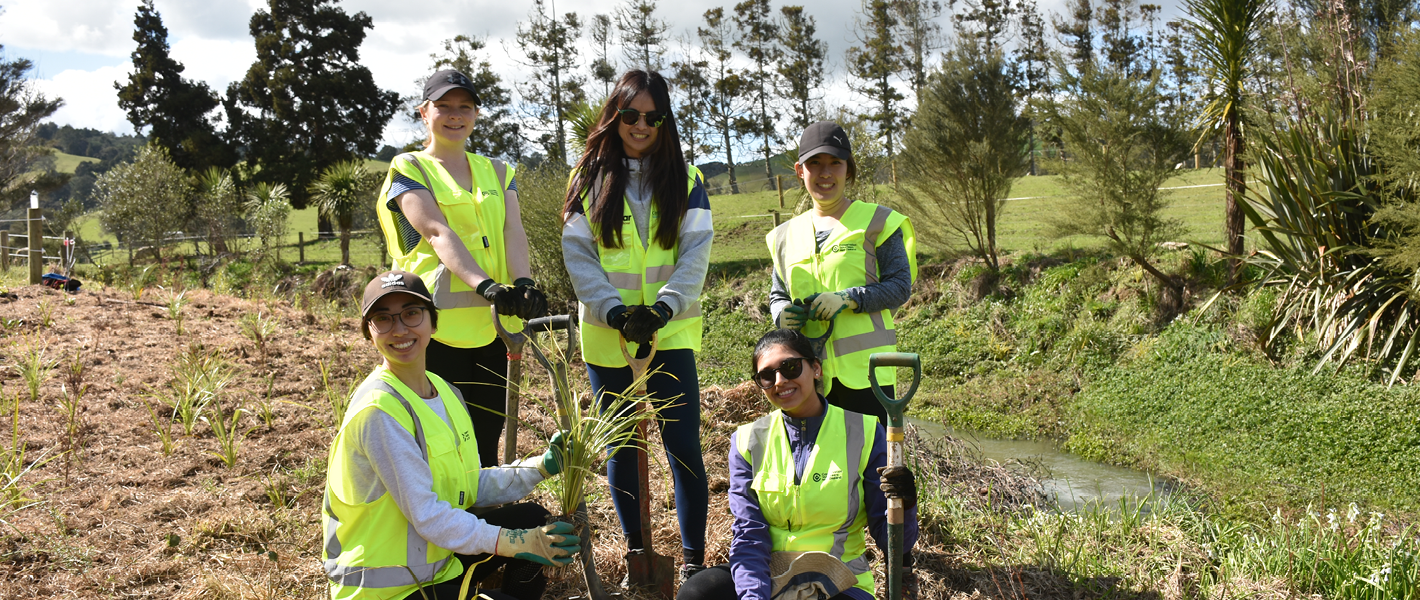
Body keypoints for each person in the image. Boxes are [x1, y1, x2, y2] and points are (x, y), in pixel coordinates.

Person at [322, 270, 579, 600]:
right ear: (369, 332)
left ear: (433, 322)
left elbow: (468, 486)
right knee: (519, 542)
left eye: (412, 314)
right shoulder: (379, 411)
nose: (399, 329)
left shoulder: (444, 392)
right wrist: (514, 542)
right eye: (383, 319)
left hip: (436, 564)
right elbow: (429, 516)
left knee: (530, 519)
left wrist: (539, 467)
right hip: (387, 589)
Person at [561, 70, 713, 582]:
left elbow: (695, 256)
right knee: (622, 445)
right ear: (615, 116)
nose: (641, 125)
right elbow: (579, 257)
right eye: (631, 115)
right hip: (608, 336)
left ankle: (693, 561)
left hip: (671, 334)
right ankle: (634, 556)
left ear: (665, 120)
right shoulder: (587, 179)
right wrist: (617, 312)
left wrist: (664, 309)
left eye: (653, 116)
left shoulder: (688, 181)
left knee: (683, 446)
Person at [375, 69, 549, 468]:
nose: (455, 115)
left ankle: (487, 520)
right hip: (431, 328)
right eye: (444, 107)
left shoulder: (499, 171)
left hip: (494, 326)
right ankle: (445, 522)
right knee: (439, 436)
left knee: (487, 430)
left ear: (475, 114)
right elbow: (436, 231)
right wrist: (486, 286)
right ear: (424, 112)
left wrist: (522, 283)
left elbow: (512, 230)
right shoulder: (410, 168)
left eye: (464, 107)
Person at [677, 329, 920, 600]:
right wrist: (754, 596)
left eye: (790, 367)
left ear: (815, 368)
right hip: (771, 571)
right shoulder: (747, 441)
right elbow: (749, 535)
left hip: (839, 579)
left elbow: (893, 541)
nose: (780, 381)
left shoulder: (864, 432)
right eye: (767, 376)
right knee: (697, 592)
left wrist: (905, 503)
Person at [766, 121, 917, 424]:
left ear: (849, 169)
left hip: (867, 377)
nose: (825, 173)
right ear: (800, 171)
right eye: (815, 163)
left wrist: (847, 299)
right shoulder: (784, 236)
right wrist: (781, 313)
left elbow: (900, 287)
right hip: (807, 377)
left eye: (835, 163)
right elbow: (778, 294)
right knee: (821, 467)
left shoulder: (878, 222)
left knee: (873, 467)